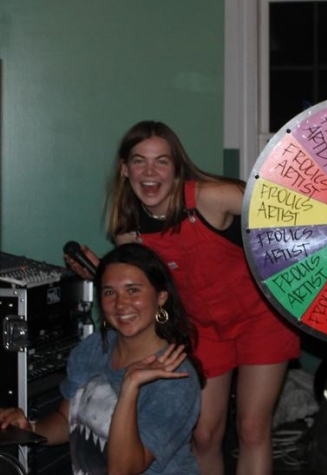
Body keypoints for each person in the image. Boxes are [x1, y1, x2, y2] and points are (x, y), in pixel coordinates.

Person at [65, 120, 300, 474]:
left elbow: (289, 210)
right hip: (201, 328)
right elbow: (146, 287)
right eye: (139, 161)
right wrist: (101, 272)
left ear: (176, 169)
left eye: (162, 161)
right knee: (203, 436)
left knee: (252, 429)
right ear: (125, 170)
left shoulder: (211, 197)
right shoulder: (129, 235)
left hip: (261, 318)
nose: (150, 171)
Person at [0, 243, 204, 474]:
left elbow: (122, 470)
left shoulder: (175, 378)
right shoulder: (94, 348)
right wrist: (29, 427)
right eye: (109, 292)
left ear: (161, 297)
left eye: (133, 290)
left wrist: (129, 388)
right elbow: (66, 419)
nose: (120, 304)